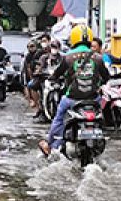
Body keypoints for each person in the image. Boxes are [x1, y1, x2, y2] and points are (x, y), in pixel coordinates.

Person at [39, 25, 107, 156]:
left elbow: (57, 74)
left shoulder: (68, 57)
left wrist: (53, 78)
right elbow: (106, 77)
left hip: (72, 99)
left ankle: (50, 144)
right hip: (93, 99)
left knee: (58, 118)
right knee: (100, 117)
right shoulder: (98, 57)